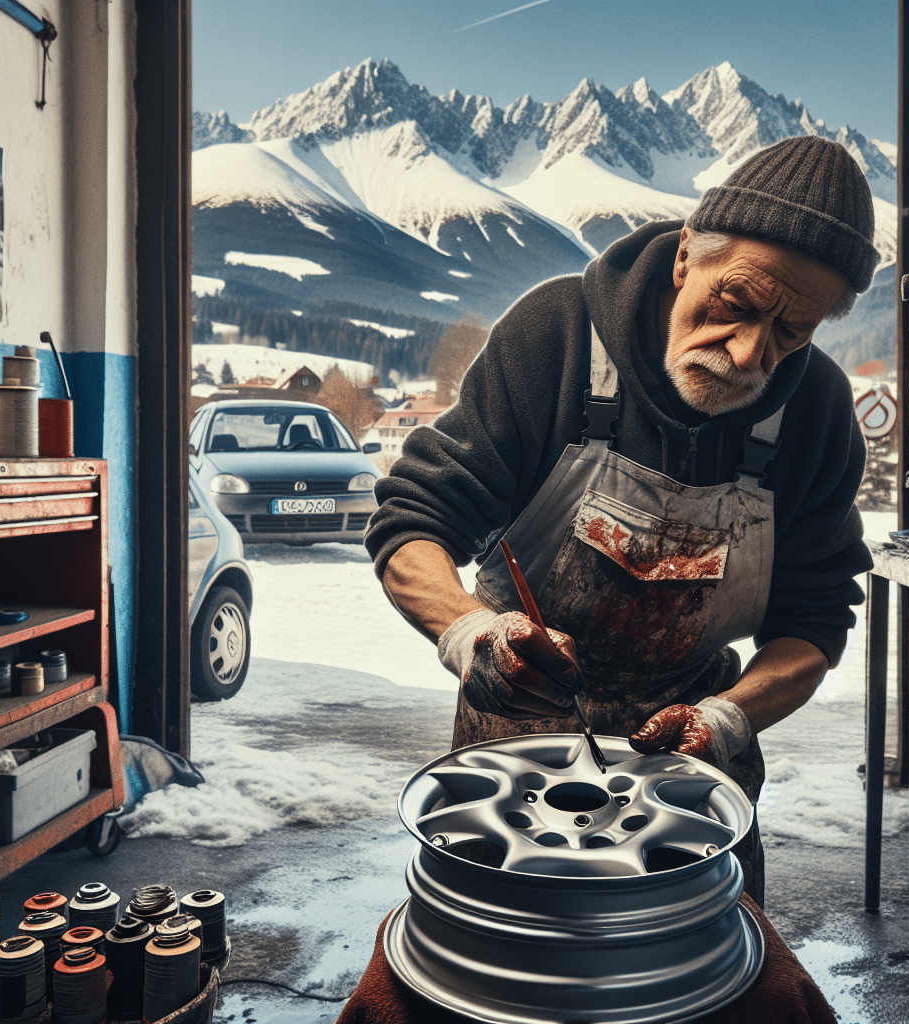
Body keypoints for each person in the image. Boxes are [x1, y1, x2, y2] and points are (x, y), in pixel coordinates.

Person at [364, 135, 880, 904]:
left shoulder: (817, 414)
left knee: (706, 982)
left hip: (689, 777)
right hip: (513, 752)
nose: (746, 354)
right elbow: (414, 522)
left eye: (790, 333)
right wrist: (472, 635)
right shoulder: (556, 340)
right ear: (684, 259)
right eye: (733, 306)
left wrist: (730, 719)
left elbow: (813, 629)